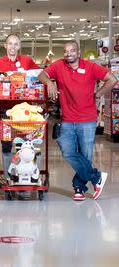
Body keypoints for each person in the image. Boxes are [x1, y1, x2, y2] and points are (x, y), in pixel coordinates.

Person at [38, 41, 117, 201]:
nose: (68, 54)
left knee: (85, 156)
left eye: (72, 50)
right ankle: (97, 178)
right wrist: (50, 83)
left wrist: (98, 94)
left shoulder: (91, 67)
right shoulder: (59, 65)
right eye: (66, 51)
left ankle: (79, 188)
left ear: (78, 52)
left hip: (87, 120)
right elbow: (42, 74)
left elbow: (112, 80)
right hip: (67, 119)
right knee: (68, 152)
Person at [0, 33, 39, 154]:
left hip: (24, 111)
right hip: (5, 111)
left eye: (16, 44)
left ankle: (21, 172)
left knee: (23, 146)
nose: (13, 47)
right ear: (5, 45)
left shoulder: (26, 61)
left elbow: (38, 75)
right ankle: (8, 171)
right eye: (10, 43)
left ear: (19, 46)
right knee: (6, 144)